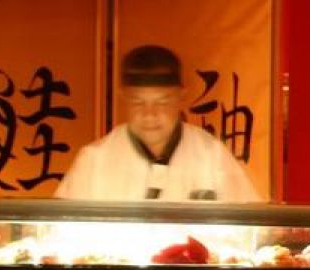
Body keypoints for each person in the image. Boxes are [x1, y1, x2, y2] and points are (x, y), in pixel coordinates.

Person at [55, 44, 259, 202]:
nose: (150, 114)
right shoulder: (94, 160)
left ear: (181, 96)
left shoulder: (211, 154)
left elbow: (248, 224)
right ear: (123, 97)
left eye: (162, 102)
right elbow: (62, 231)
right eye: (138, 102)